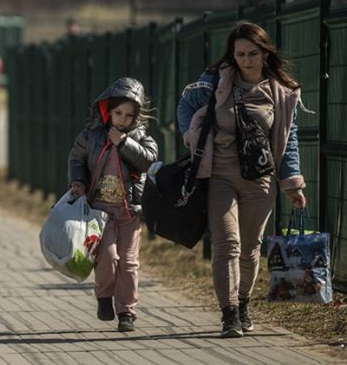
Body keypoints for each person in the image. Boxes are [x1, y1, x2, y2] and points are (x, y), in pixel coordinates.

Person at [177, 21, 307, 338]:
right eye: (239, 54)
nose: (246, 60)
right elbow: (185, 106)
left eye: (252, 54)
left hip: (260, 181)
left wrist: (292, 185)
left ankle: (244, 302)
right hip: (218, 175)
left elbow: (288, 141)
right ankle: (229, 314)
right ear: (232, 55)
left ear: (264, 54)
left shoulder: (281, 92)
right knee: (226, 244)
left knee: (250, 248)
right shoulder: (214, 82)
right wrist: (191, 136)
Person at [68, 77, 157, 332]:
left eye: (129, 115)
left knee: (129, 262)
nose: (122, 119)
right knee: (107, 257)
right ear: (107, 110)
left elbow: (149, 161)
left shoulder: (140, 137)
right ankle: (104, 296)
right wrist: (78, 182)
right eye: (118, 113)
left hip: (130, 212)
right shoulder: (92, 136)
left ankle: (127, 312)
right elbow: (76, 157)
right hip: (100, 212)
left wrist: (124, 142)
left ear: (136, 117)